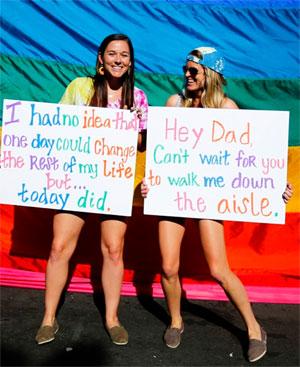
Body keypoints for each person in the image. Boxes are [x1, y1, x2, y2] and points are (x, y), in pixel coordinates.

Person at [141, 46, 293, 362]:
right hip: (173, 193)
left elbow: (250, 156)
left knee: (218, 269)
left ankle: (254, 328)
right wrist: (149, 181)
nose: (186, 74)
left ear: (210, 74)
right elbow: (159, 152)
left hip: (207, 196)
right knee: (168, 266)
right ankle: (176, 321)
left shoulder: (227, 108)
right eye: (185, 69)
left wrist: (275, 184)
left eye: (193, 70)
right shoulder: (175, 103)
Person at [35, 33, 148, 346]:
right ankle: (48, 319)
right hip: (76, 179)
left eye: (124, 55)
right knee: (59, 246)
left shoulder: (138, 97)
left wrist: (136, 126)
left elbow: (140, 146)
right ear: (101, 58)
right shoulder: (79, 87)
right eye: (112, 53)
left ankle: (112, 319)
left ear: (131, 60)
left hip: (113, 182)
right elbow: (56, 124)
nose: (118, 60)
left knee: (113, 249)